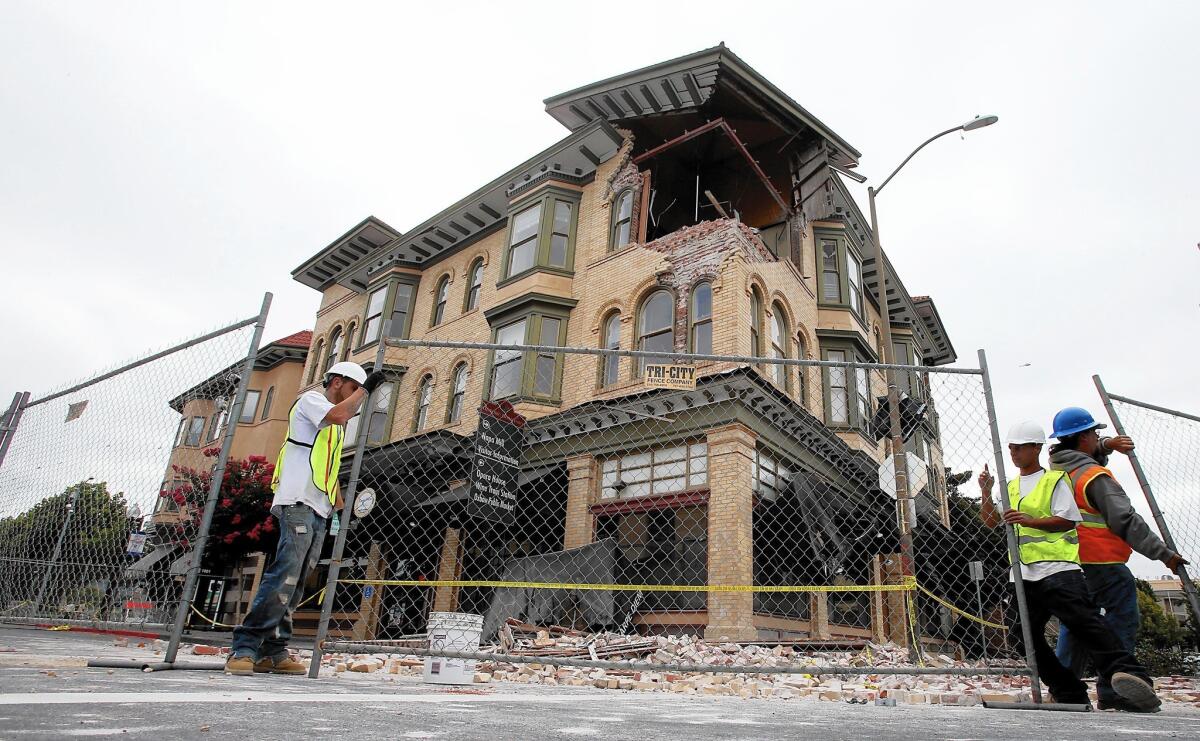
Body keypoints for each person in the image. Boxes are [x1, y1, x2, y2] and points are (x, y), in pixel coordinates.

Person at [977, 421, 1160, 711]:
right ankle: (1068, 690)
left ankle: (1130, 675)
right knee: (1021, 635)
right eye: (1011, 448)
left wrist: (1029, 521)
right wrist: (986, 492)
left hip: (1058, 568)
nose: (1014, 453)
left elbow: (1067, 519)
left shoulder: (1054, 480)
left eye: (1020, 447)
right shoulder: (1009, 487)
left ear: (1036, 448)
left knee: (1085, 623)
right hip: (1024, 573)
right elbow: (989, 522)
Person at [225, 361, 384, 675]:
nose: (355, 398)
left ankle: (274, 649)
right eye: (352, 389)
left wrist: (338, 513)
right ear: (337, 382)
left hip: (318, 508)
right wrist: (366, 390)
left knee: (297, 582)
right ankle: (245, 646)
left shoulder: (334, 429)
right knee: (286, 572)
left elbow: (329, 469)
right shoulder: (312, 401)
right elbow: (340, 413)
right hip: (296, 500)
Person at [1047, 406, 1188, 711]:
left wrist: (1107, 444)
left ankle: (1064, 691)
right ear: (1083, 438)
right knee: (1121, 619)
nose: (1097, 437)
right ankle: (1117, 689)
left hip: (1067, 566)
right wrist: (1163, 554)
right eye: (1094, 433)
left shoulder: (1054, 474)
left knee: (1077, 624)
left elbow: (1091, 453)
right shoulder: (1093, 477)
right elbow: (1124, 519)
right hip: (1103, 563)